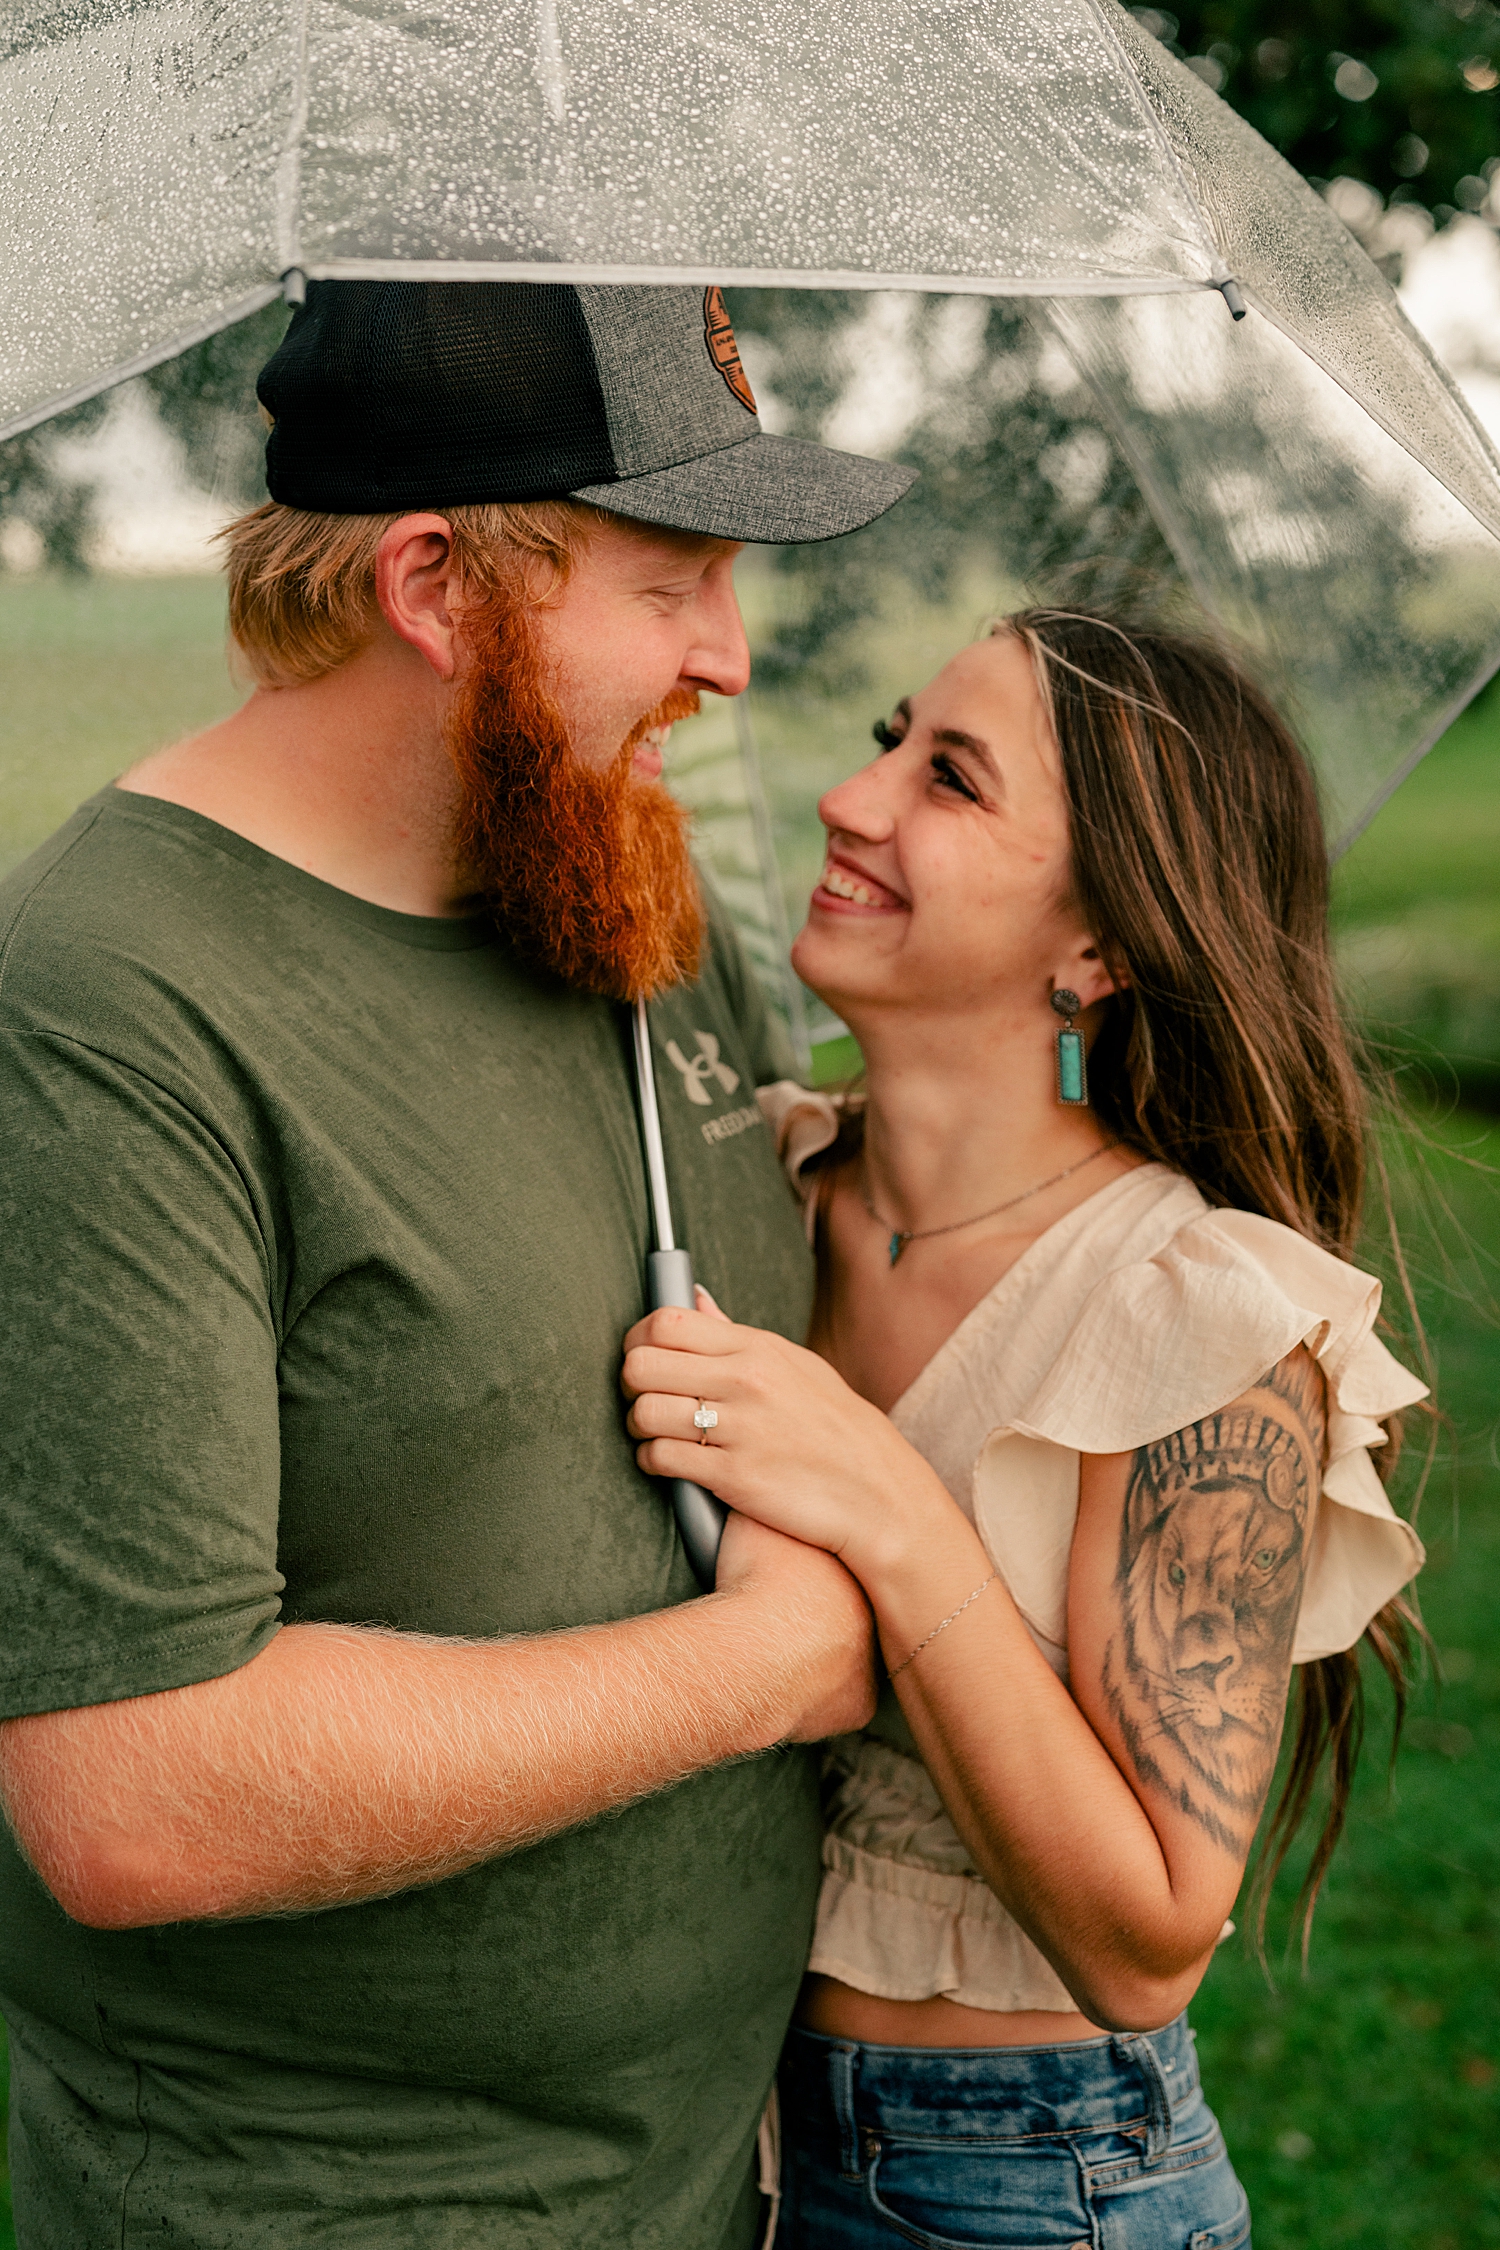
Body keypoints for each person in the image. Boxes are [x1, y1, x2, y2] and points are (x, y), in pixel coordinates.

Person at [0, 279, 916, 2249]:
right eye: (671, 584)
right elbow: (132, 1793)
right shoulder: (105, 1013)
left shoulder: (622, 886)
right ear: (435, 586)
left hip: (723, 2187)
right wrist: (767, 1665)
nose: (733, 656)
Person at [622, 610, 1428, 2247]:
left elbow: (1152, 1936)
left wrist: (889, 1504)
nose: (852, 798)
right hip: (713, 2142)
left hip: (1032, 2179)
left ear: (1099, 949)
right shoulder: (747, 1186)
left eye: (952, 779)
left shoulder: (1192, 1314)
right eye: (891, 736)